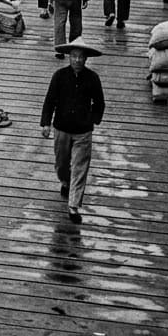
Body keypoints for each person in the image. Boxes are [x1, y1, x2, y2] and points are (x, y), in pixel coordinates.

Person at [40, 38, 105, 225]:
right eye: (74, 56)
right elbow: (50, 100)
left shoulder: (93, 78)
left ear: (86, 59)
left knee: (80, 167)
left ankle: (74, 205)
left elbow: (99, 103)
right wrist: (46, 123)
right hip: (61, 128)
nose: (77, 60)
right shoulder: (59, 76)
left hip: (83, 131)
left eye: (81, 57)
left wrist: (92, 120)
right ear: (69, 57)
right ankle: (65, 182)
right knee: (61, 164)